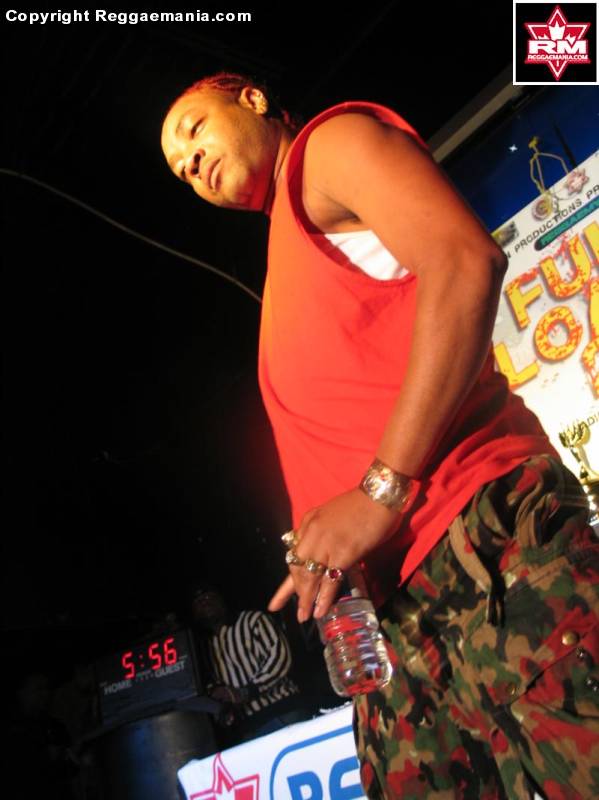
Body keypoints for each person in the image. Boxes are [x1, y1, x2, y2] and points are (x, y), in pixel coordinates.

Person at [161, 74, 599, 798]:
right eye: (180, 170)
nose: (190, 162)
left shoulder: (324, 149)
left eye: (193, 130)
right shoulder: (285, 249)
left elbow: (464, 260)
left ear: (251, 100)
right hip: (394, 613)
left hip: (480, 540)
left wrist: (378, 491)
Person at [188, 584, 307, 743]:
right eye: (198, 602)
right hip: (248, 727)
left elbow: (280, 658)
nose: (205, 603)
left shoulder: (253, 621)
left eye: (209, 597)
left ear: (222, 600)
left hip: (282, 710)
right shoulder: (203, 648)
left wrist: (248, 691)